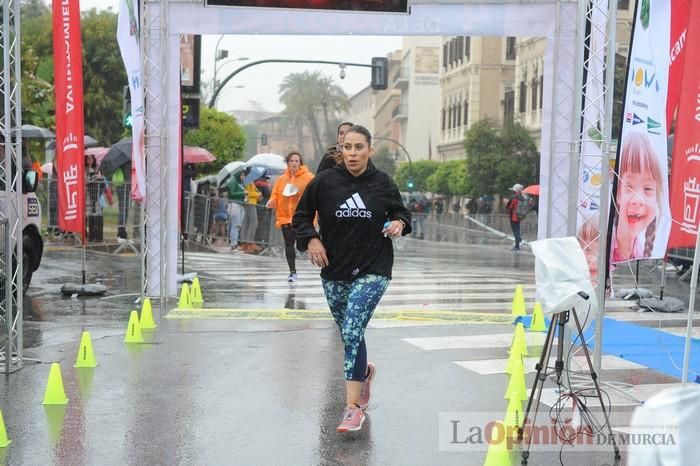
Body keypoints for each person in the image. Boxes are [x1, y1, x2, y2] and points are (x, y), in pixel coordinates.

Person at [293, 125, 412, 433]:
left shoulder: (382, 183)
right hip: (334, 270)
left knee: (352, 327)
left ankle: (353, 407)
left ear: (370, 150)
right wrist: (312, 240)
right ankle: (364, 374)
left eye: (360, 147)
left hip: (374, 266)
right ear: (341, 149)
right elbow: (301, 217)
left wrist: (398, 223)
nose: (353, 153)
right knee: (351, 334)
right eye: (348, 147)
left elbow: (402, 214)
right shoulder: (324, 182)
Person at [611, 132, 665, 262]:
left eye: (647, 189)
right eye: (629, 186)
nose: (638, 200)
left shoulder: (638, 248)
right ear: (618, 193)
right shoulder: (603, 244)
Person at [267, 151, 314, 282]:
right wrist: (272, 201)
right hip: (284, 217)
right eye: (291, 161)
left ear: (300, 163)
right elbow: (275, 193)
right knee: (288, 244)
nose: (294, 163)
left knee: (300, 245)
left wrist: (300, 194)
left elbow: (314, 191)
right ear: (288, 163)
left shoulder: (308, 177)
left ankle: (302, 246)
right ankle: (292, 272)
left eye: (296, 161)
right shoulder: (282, 179)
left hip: (301, 218)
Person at [227, 171, 246, 250]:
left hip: (241, 205)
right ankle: (233, 244)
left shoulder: (241, 183)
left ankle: (235, 243)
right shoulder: (233, 181)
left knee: (238, 225)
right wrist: (242, 193)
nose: (243, 177)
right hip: (234, 204)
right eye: (242, 175)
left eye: (244, 175)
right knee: (235, 225)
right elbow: (231, 193)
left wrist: (244, 196)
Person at [505, 183, 525, 251]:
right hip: (520, 216)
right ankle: (518, 241)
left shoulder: (514, 197)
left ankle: (517, 245)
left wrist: (506, 203)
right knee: (517, 230)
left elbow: (510, 207)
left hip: (513, 216)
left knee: (515, 232)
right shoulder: (522, 197)